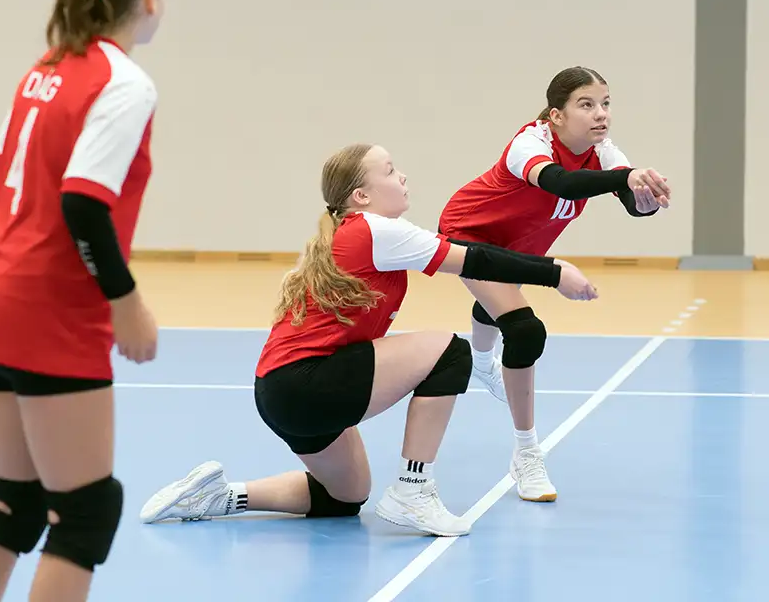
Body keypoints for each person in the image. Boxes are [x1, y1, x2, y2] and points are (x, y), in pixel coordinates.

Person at [137, 143, 598, 537]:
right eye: (390, 171)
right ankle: (414, 490)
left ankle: (220, 496)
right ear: (361, 195)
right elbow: (475, 259)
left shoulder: (355, 233)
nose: (403, 177)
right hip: (306, 382)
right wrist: (555, 272)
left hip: (279, 393)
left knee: (344, 497)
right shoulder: (377, 230)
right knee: (451, 352)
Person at [0, 0, 165, 602]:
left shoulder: (41, 72)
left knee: (13, 506)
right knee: (85, 513)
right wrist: (127, 304)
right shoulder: (124, 83)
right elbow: (83, 205)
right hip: (50, 311)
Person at [436, 66, 671, 502]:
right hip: (467, 233)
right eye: (586, 104)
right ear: (556, 115)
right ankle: (527, 453)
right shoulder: (530, 143)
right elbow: (561, 183)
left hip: (520, 243)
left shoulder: (604, 152)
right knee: (524, 329)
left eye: (605, 103)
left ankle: (481, 360)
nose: (601, 114)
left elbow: (632, 203)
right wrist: (627, 177)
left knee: (498, 299)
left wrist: (645, 199)